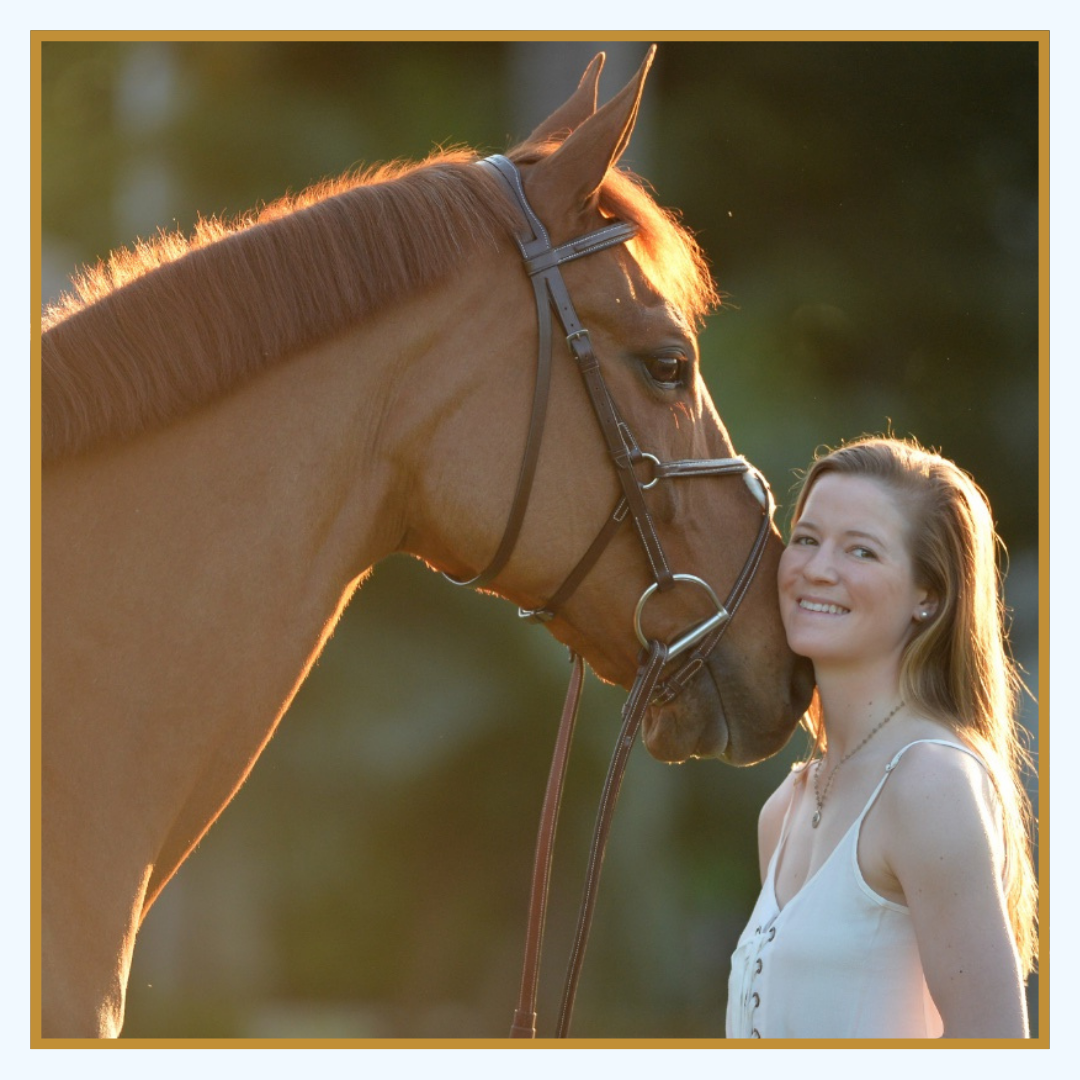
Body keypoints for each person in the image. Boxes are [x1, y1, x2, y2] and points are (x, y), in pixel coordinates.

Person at [726, 436, 1037, 1039]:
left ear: (929, 595)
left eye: (861, 551)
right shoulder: (785, 808)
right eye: (807, 539)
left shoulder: (930, 782)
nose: (818, 568)